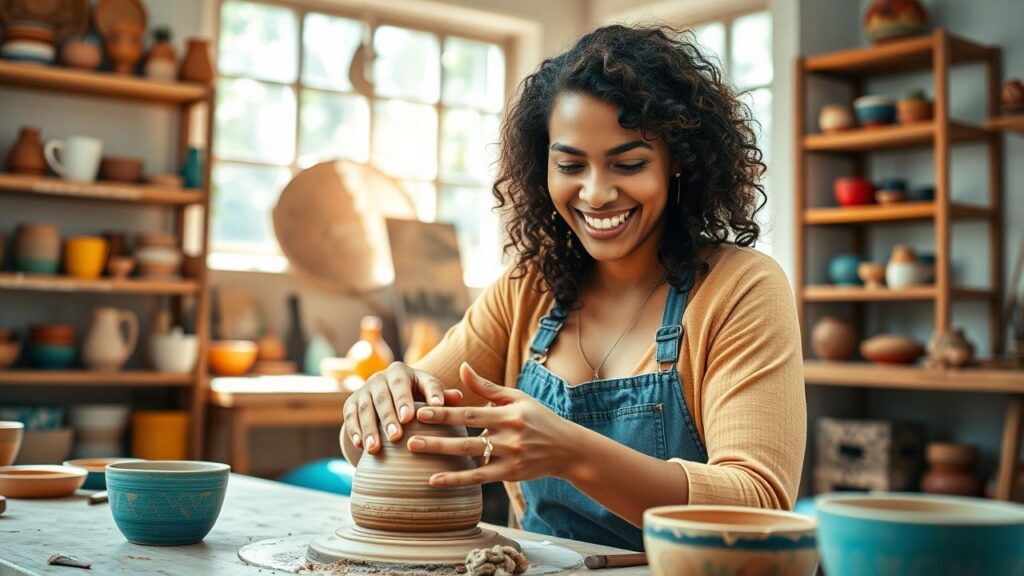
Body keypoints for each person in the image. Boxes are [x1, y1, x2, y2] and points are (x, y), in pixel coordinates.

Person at [341, 23, 805, 552]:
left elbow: (759, 503)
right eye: (570, 165)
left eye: (628, 164)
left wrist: (573, 453)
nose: (597, 193)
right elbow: (387, 441)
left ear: (678, 163)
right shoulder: (528, 290)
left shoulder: (740, 289)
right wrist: (374, 408)